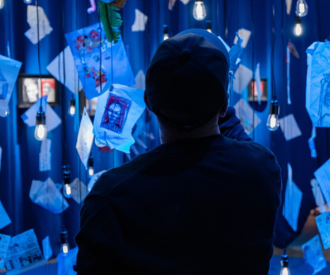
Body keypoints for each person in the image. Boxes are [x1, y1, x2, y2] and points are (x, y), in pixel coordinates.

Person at [76, 29, 282, 274]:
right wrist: (214, 96)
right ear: (225, 104)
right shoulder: (261, 170)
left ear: (149, 103)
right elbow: (240, 144)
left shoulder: (109, 197)